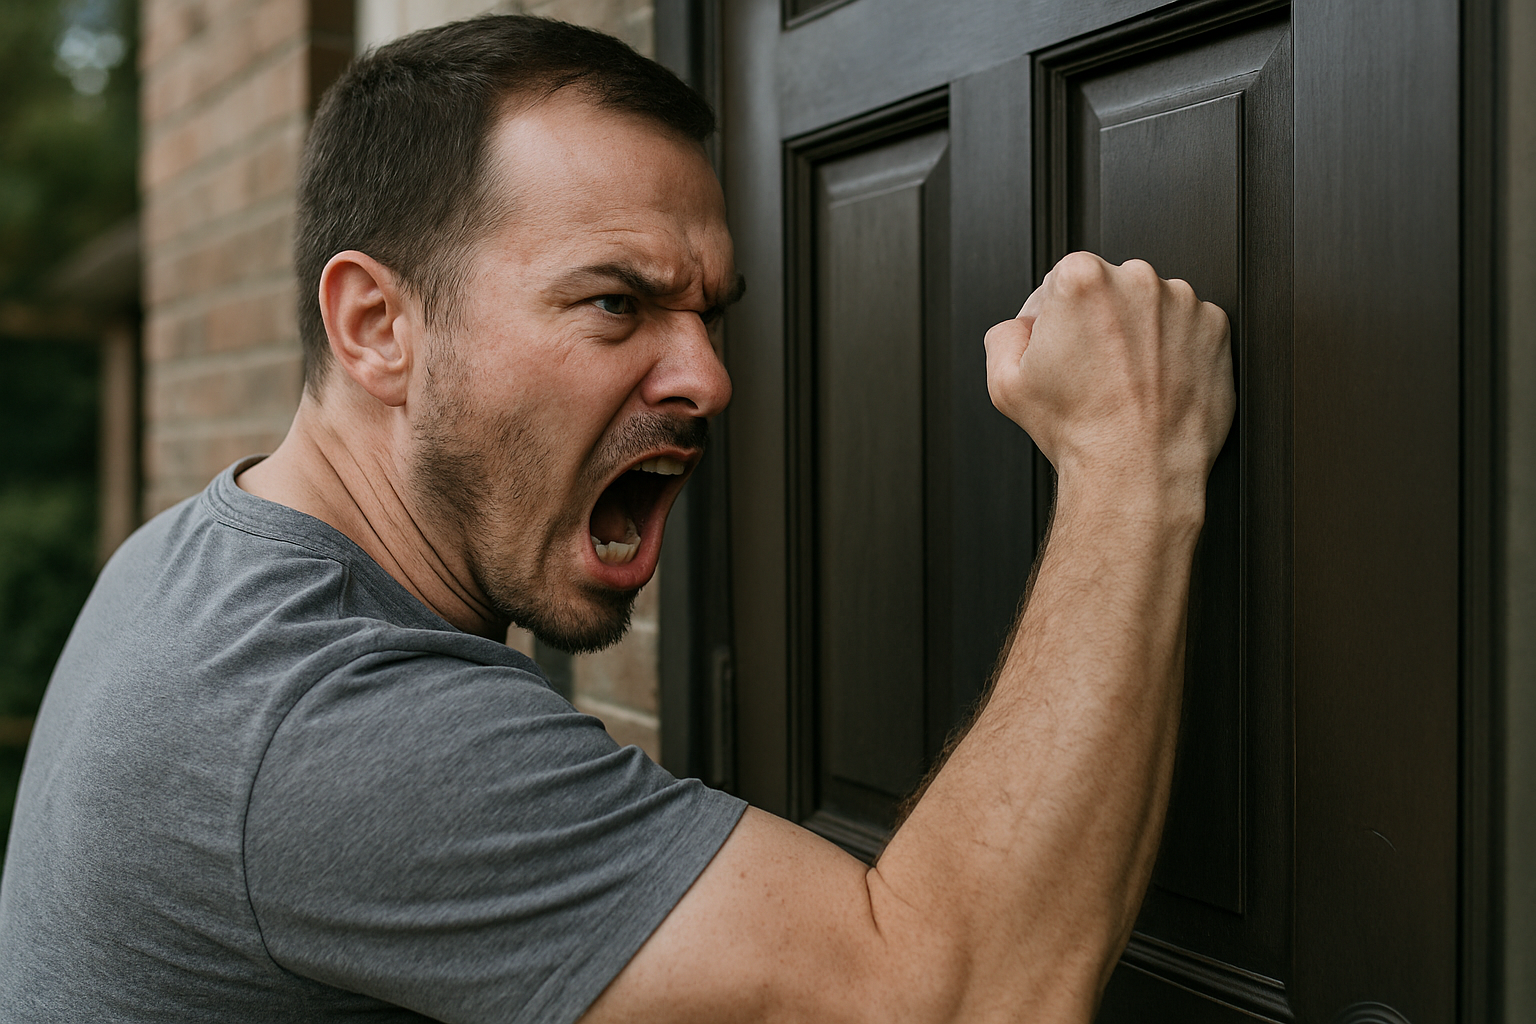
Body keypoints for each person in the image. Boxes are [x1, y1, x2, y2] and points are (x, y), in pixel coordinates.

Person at [0, 14, 1233, 1024]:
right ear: (378, 326)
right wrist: (1132, 464)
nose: (706, 377)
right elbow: (961, 1003)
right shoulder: (327, 723)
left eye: (709, 312)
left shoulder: (195, 554)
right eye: (615, 303)